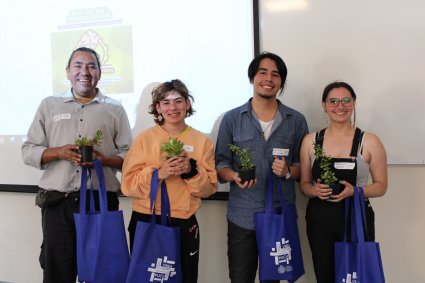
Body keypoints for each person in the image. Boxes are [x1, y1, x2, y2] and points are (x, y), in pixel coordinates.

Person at [21, 47, 133, 283]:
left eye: (92, 66)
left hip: (99, 202)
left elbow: (129, 157)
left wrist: (105, 160)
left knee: (102, 272)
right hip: (58, 203)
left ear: (100, 73)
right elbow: (28, 150)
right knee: (57, 273)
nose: (85, 71)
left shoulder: (114, 108)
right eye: (78, 66)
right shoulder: (49, 105)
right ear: (68, 72)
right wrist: (58, 152)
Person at [215, 52, 309, 283]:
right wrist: (234, 176)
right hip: (242, 216)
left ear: (281, 83)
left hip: (279, 213)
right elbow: (221, 164)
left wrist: (287, 171)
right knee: (240, 278)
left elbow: (302, 168)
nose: (269, 78)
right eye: (262, 72)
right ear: (252, 78)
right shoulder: (232, 119)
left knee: (275, 279)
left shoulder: (296, 120)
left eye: (275, 74)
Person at [121, 79, 218, 283]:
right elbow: (128, 185)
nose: (172, 108)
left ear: (187, 104)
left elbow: (209, 190)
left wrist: (191, 171)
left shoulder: (202, 142)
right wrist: (158, 174)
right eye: (165, 102)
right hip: (146, 219)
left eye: (178, 101)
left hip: (184, 222)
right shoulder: (143, 139)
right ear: (158, 108)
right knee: (145, 279)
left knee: (185, 277)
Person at [299, 81, 388, 283]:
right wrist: (315, 191)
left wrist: (354, 192)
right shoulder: (311, 141)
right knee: (325, 274)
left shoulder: (370, 141)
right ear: (324, 105)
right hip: (320, 219)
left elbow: (381, 186)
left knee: (356, 275)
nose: (340, 106)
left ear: (354, 103)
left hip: (357, 218)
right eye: (333, 101)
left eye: (346, 100)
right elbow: (304, 184)